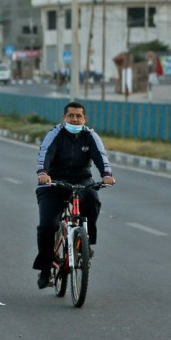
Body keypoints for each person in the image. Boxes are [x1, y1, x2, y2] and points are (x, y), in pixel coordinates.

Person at [33, 101, 116, 289]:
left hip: (81, 180)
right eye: (71, 115)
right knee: (47, 225)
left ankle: (86, 244)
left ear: (84, 119)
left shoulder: (90, 136)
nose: (75, 119)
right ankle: (45, 269)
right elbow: (45, 154)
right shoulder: (55, 134)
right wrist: (43, 173)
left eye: (78, 116)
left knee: (93, 200)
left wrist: (106, 175)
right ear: (64, 118)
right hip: (54, 182)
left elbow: (100, 156)